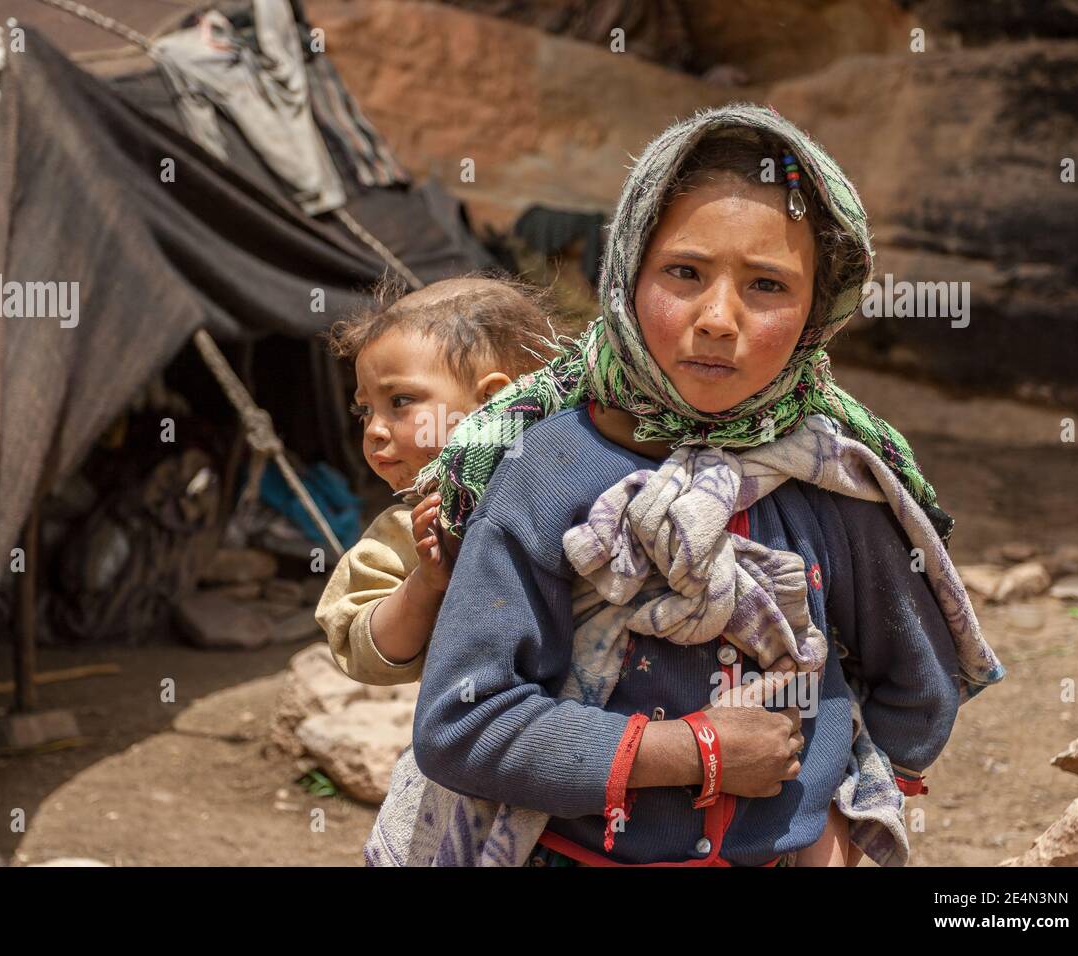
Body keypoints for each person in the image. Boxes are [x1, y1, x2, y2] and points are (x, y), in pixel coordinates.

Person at [391, 105, 1005, 867]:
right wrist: (694, 751)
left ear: (821, 307)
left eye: (768, 285)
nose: (718, 318)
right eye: (684, 273)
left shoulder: (840, 478)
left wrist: (838, 819)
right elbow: (462, 722)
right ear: (627, 274)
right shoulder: (540, 470)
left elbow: (918, 683)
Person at [314, 275, 553, 685]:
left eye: (399, 402)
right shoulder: (409, 534)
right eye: (364, 411)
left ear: (494, 399)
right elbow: (365, 650)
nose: (373, 430)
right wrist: (425, 584)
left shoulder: (576, 484)